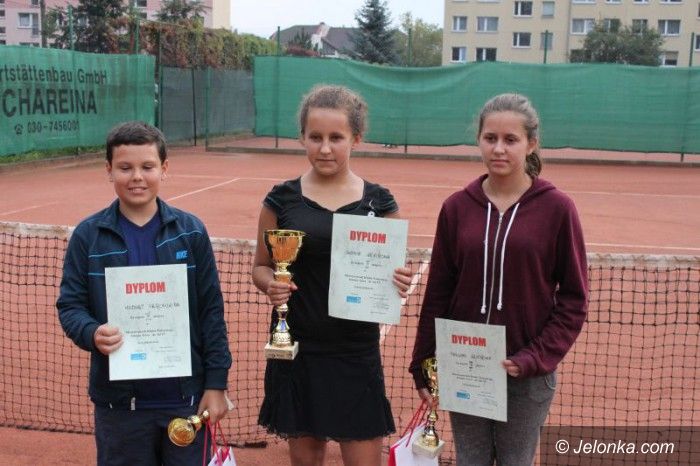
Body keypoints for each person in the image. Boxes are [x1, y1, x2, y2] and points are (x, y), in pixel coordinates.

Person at [410, 93, 588, 465]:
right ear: (479, 140)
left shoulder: (558, 208)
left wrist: (534, 357)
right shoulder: (457, 208)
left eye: (511, 140)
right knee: (471, 460)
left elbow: (574, 298)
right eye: (490, 138)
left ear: (531, 143)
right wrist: (423, 359)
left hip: (526, 374)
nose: (499, 149)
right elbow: (439, 289)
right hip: (466, 365)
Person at [252, 85, 413, 466]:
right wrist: (271, 284)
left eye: (336, 138)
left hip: (355, 351)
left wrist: (399, 280)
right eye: (316, 137)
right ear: (302, 138)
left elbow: (393, 271)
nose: (325, 148)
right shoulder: (281, 199)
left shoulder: (379, 203)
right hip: (298, 348)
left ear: (356, 138)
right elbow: (260, 266)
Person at [56, 121, 232, 466]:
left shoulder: (191, 232)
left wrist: (216, 384)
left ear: (164, 169)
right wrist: (92, 332)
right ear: (109, 170)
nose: (137, 176)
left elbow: (211, 311)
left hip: (185, 400)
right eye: (125, 168)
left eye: (147, 167)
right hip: (119, 407)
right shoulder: (88, 236)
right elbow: (71, 305)